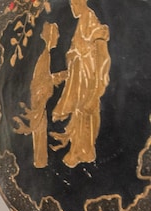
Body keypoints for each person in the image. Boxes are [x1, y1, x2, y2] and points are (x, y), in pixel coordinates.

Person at [50, 0, 111, 168]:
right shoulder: (83, 20)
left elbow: (101, 55)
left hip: (90, 76)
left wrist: (97, 85)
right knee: (79, 112)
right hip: (80, 77)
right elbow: (76, 52)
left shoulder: (90, 19)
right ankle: (78, 150)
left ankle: (85, 151)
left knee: (87, 111)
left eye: (74, 4)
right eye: (71, 5)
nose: (72, 8)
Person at [14, 21, 62, 168]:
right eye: (56, 35)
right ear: (50, 37)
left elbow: (43, 80)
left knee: (40, 132)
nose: (58, 37)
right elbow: (40, 81)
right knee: (39, 132)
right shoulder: (44, 56)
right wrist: (58, 77)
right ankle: (40, 162)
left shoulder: (46, 55)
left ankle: (41, 162)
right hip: (39, 100)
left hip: (40, 99)